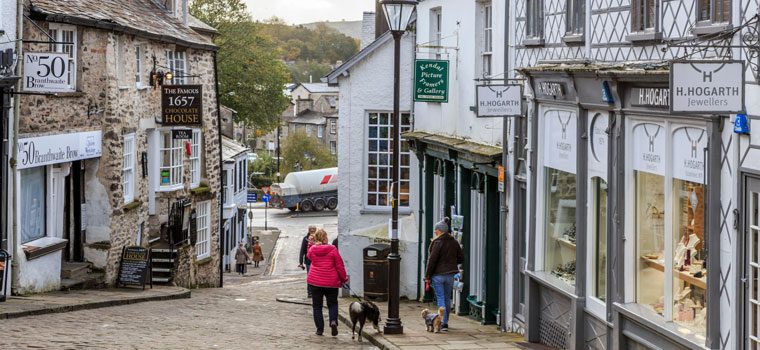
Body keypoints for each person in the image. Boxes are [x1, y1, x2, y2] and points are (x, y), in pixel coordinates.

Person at [425, 218, 464, 332]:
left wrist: (427, 276)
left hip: (438, 275)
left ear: (440, 231)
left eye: (436, 230)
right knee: (447, 298)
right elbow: (461, 258)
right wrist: (451, 263)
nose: (435, 232)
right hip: (450, 275)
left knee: (441, 299)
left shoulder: (437, 242)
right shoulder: (454, 242)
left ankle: (441, 322)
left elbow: (431, 261)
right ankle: (445, 323)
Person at [307, 229, 347, 337]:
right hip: (331, 282)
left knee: (317, 306)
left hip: (315, 282)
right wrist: (344, 279)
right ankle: (333, 321)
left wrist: (311, 245)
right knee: (332, 304)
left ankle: (320, 329)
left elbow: (308, 257)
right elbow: (339, 265)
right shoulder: (333, 249)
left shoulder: (313, 249)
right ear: (325, 237)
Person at [299, 225, 317, 297]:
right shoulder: (305, 239)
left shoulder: (318, 238)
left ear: (315, 230)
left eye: (313, 230)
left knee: (316, 277)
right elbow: (302, 250)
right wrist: (300, 262)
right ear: (309, 231)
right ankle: (310, 292)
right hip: (308, 261)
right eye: (311, 230)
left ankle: (315, 292)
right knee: (310, 276)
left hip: (317, 261)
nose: (312, 231)